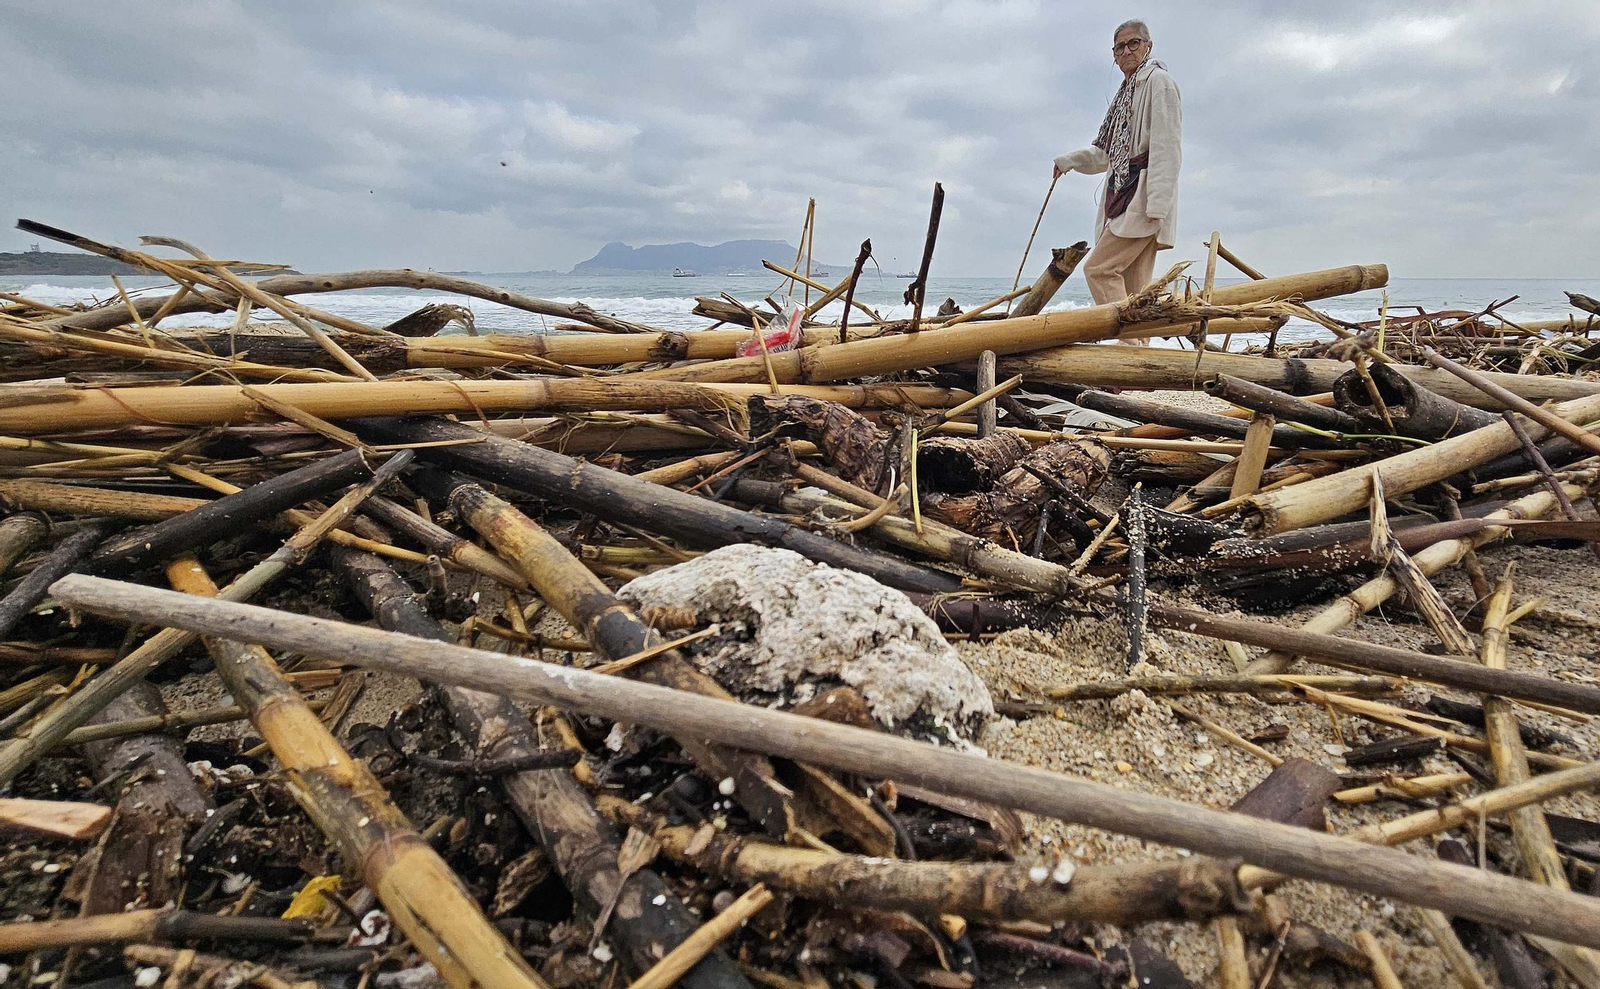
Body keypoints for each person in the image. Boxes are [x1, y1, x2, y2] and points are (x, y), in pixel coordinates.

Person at [1054, 19, 1182, 317]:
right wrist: (1067, 161)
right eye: (1119, 47)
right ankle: (1139, 353)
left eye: (1133, 43)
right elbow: (1106, 154)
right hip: (1123, 194)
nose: (1126, 51)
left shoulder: (1158, 82)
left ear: (1148, 46)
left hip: (1144, 198)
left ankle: (1125, 336)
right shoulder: (1125, 94)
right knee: (1136, 289)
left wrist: (1158, 206)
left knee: (1098, 270)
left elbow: (1168, 147)